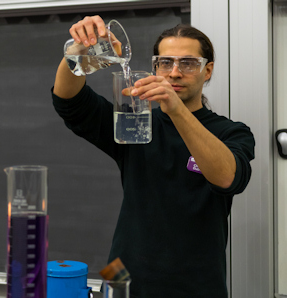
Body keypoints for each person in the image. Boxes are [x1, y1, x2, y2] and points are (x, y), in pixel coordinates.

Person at [51, 15, 255, 298]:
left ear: (207, 71)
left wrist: (176, 109)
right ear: (155, 67)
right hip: (123, 280)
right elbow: (68, 101)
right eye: (165, 63)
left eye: (187, 63)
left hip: (195, 285)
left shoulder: (231, 132)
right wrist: (78, 53)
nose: (174, 73)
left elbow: (227, 177)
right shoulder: (134, 122)